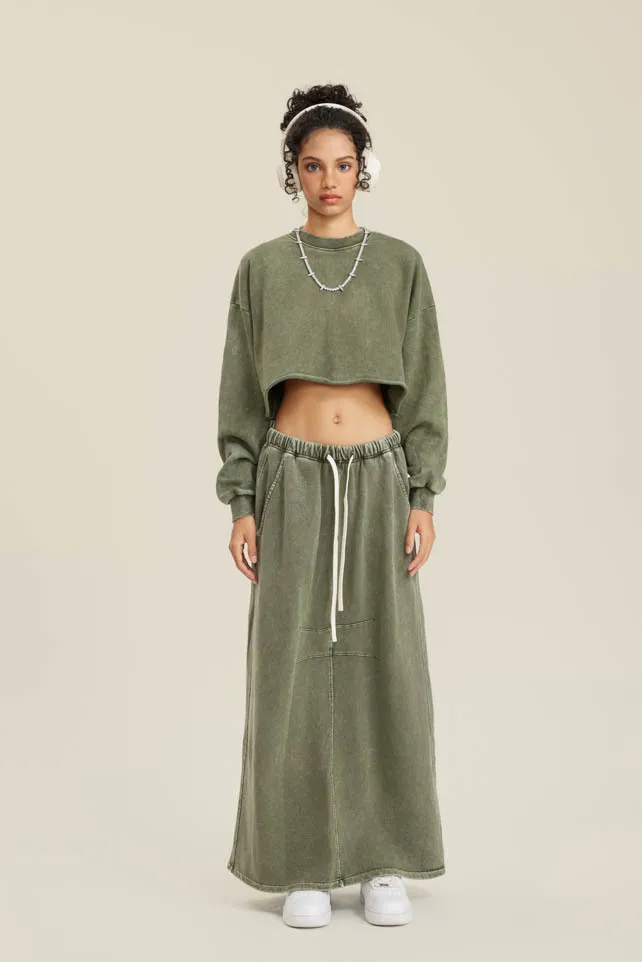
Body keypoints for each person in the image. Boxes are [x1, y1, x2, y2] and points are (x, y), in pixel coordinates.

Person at [216, 83, 449, 928]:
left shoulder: (400, 266)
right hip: (292, 480)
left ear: (363, 169)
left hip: (380, 479)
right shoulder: (262, 269)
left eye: (342, 165)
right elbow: (240, 391)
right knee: (289, 668)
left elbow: (425, 386)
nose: (328, 181)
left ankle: (384, 860)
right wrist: (242, 500)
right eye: (312, 166)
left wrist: (423, 494)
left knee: (388, 665)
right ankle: (300, 862)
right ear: (293, 172)